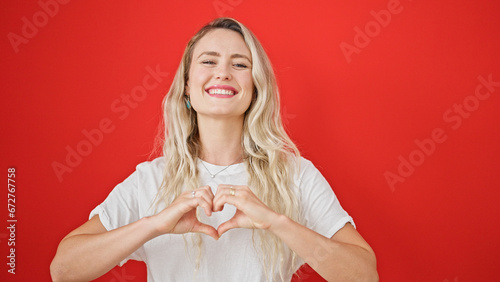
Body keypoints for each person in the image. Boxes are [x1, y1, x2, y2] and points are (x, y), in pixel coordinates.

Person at [50, 18, 378, 282]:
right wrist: (154, 225)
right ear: (187, 88)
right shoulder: (150, 179)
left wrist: (276, 222)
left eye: (240, 64)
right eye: (209, 61)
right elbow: (63, 269)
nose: (222, 72)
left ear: (255, 89)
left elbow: (364, 275)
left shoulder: (295, 175)